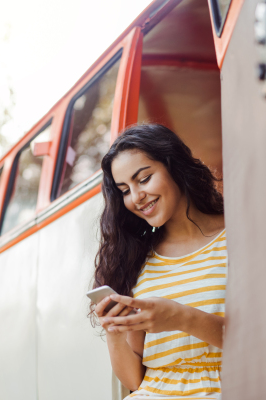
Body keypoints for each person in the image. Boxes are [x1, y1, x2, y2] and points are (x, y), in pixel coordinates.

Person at [92, 124, 226, 399]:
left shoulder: (239, 238)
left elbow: (262, 344)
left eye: (143, 179)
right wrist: (114, 332)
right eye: (124, 190)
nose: (136, 197)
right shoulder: (136, 259)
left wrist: (180, 317)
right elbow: (134, 380)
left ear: (174, 166)